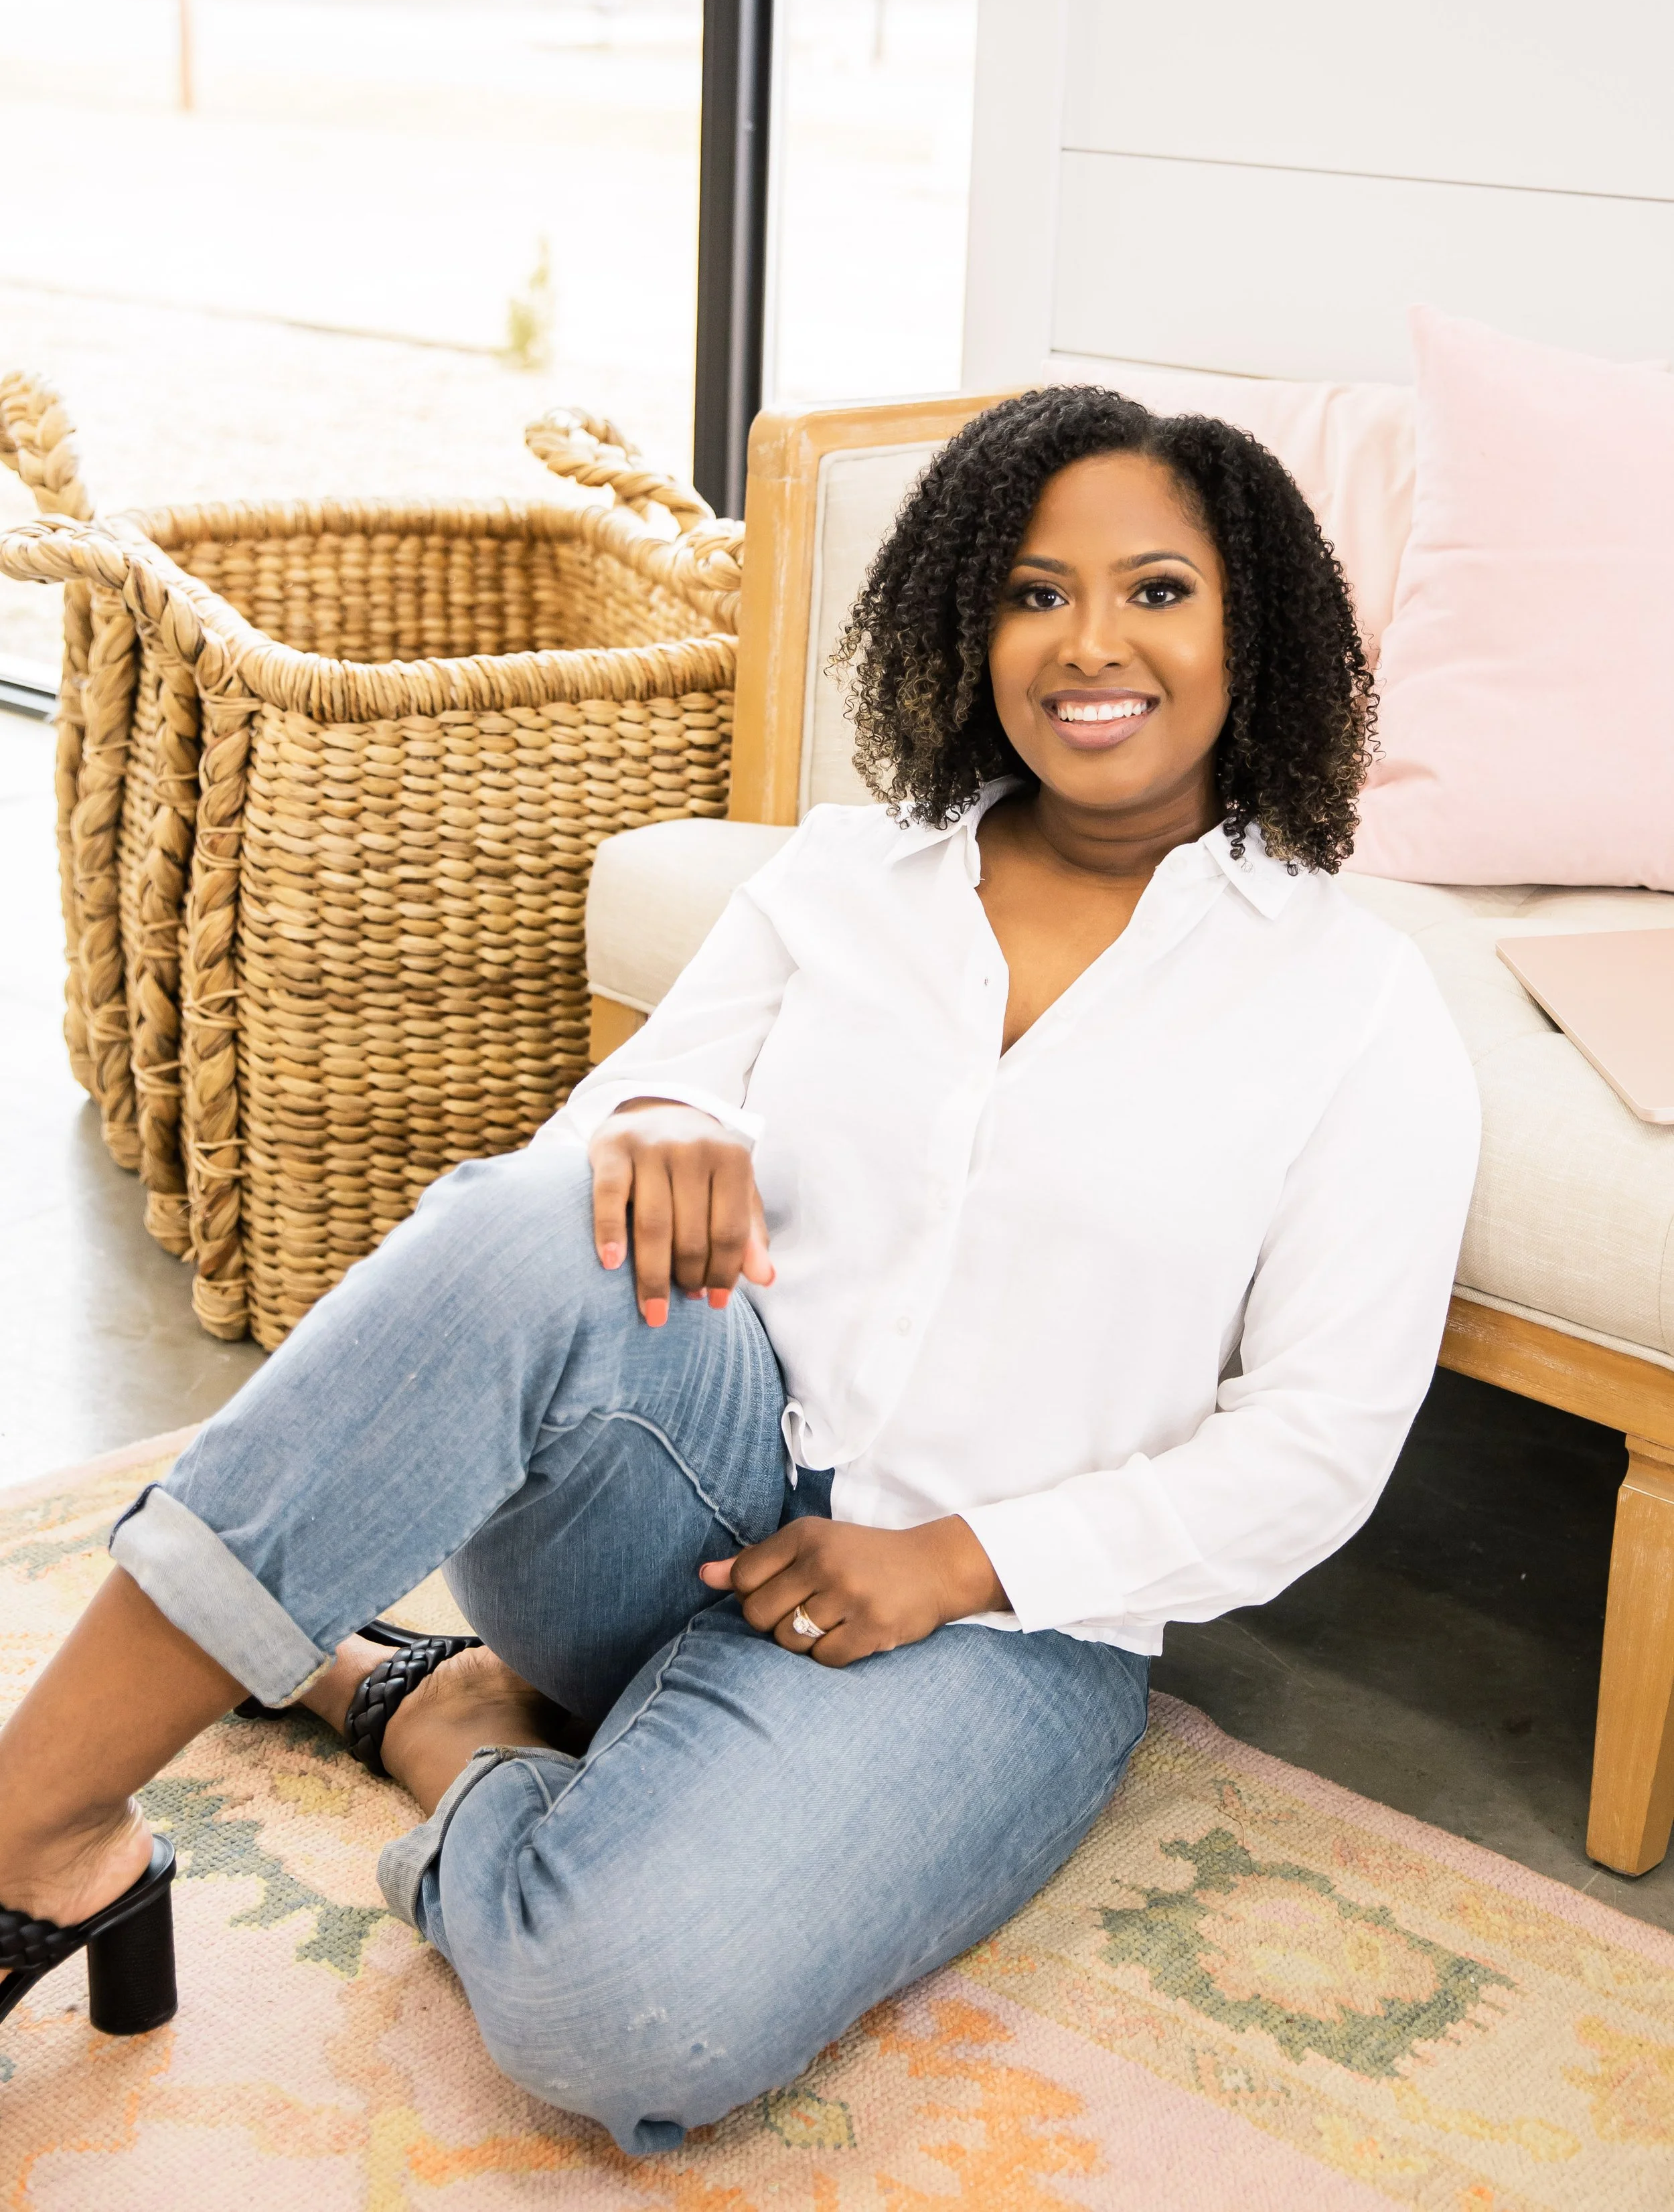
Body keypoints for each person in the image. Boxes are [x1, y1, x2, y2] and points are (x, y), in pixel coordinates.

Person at [0, 385, 1478, 2151]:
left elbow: (1313, 1439)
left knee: (624, 2008)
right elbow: (620, 1120)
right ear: (963, 621)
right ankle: (34, 1826)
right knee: (531, 1218)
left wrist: (951, 1558)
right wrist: (664, 1114)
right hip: (677, 1498)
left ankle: (428, 1707)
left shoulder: (1353, 1005)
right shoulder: (849, 875)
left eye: (1155, 589)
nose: (1091, 641)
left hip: (999, 1627)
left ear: (1257, 627)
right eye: (1031, 590)